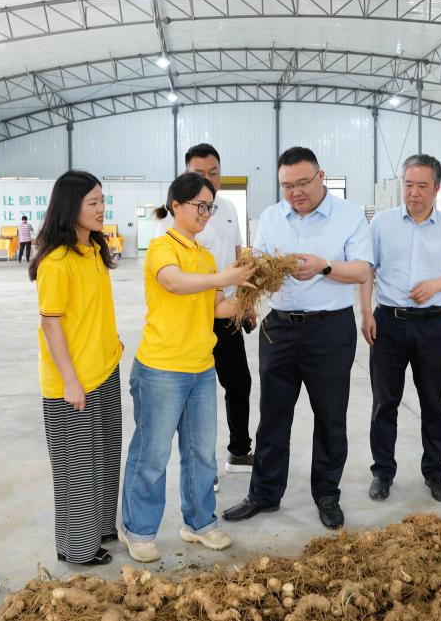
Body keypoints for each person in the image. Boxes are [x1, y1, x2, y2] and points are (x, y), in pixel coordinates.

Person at [223, 146, 372, 530]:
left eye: (303, 183)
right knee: (272, 416)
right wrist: (256, 288)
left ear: (321, 177)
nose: (295, 192)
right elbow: (257, 264)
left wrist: (324, 267)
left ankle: (327, 494)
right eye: (287, 186)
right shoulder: (272, 217)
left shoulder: (349, 216)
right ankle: (264, 494)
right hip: (279, 329)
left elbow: (361, 271)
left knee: (330, 416)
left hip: (330, 329)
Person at [119, 173, 256, 563]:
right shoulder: (161, 247)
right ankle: (138, 529)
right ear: (176, 205)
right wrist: (226, 276)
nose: (206, 213)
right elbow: (175, 283)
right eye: (199, 205)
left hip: (201, 367)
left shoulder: (206, 257)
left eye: (210, 206)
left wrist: (250, 296)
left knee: (201, 454)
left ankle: (199, 523)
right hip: (161, 368)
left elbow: (217, 307)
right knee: (152, 454)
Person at [360, 154, 441, 503]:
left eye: (422, 186)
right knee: (384, 403)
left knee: (433, 402)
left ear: (436, 188)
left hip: (431, 325)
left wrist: (436, 285)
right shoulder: (382, 223)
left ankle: (435, 472)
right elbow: (366, 270)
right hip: (388, 323)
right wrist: (365, 313)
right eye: (408, 184)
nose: (414, 192)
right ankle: (382, 472)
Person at [29, 170, 123, 565]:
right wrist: (70, 380)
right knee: (78, 466)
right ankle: (78, 548)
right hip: (73, 380)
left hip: (104, 368)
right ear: (71, 208)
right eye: (93, 203)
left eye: (103, 200)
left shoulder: (94, 250)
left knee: (106, 455)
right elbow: (51, 325)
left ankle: (100, 528)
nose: (102, 209)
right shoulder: (56, 262)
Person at [166, 144, 255, 494]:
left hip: (225, 311)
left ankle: (240, 451)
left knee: (239, 382)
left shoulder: (228, 208)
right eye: (199, 173)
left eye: (214, 172)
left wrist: (246, 302)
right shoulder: (173, 216)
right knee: (196, 394)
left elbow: (238, 252)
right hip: (191, 316)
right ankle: (203, 468)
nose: (208, 179)